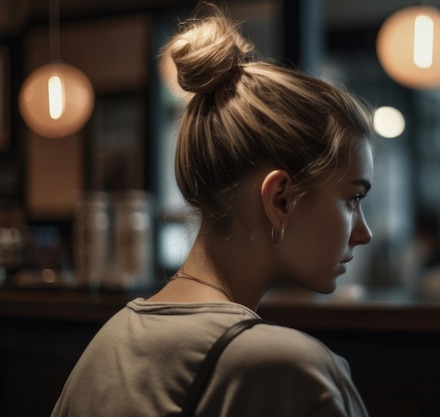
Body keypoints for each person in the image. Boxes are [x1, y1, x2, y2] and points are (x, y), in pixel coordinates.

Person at [52, 8, 373, 417]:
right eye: (352, 199)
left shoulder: (109, 343)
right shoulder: (294, 369)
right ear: (280, 200)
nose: (364, 233)